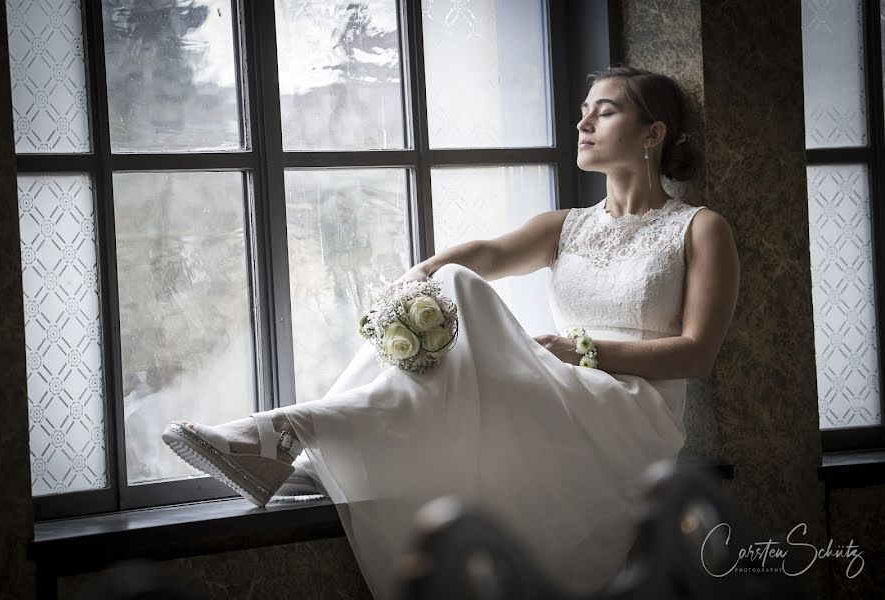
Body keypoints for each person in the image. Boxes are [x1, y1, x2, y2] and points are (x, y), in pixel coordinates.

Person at [161, 65, 739, 599]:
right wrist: (413, 279)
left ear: (652, 133)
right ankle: (297, 431)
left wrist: (582, 350)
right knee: (452, 291)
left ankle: (299, 439)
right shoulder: (567, 225)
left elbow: (697, 354)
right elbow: (488, 252)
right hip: (567, 391)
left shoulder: (700, 229)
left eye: (605, 111)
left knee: (458, 292)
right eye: (584, 109)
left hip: (632, 410)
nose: (583, 122)